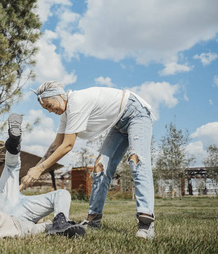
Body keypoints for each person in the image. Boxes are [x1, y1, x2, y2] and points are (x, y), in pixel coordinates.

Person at [20, 81, 156, 239]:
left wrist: (40, 169)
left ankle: (146, 224)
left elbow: (67, 145)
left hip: (135, 112)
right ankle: (93, 221)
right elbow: (55, 144)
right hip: (118, 124)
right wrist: (33, 170)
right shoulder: (65, 114)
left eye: (49, 105)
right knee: (100, 167)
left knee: (136, 160)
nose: (50, 111)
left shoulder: (76, 102)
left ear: (57, 96)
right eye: (47, 109)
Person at [0, 113, 85, 238]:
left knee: (12, 167)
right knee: (62, 194)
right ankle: (60, 223)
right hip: (12, 213)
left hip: (15, 214)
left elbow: (15, 194)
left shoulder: (10, 194)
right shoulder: (9, 197)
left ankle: (14, 144)